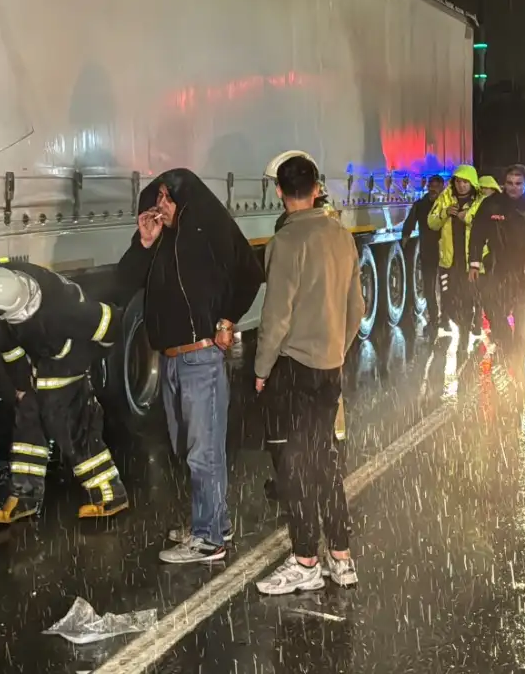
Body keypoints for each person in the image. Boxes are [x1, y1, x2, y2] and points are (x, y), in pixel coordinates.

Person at [115, 169, 264, 564]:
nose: (159, 204)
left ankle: (210, 538)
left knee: (204, 450)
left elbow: (250, 272)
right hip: (171, 360)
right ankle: (212, 521)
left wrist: (227, 320)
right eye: (157, 196)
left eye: (166, 196)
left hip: (200, 356)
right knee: (187, 447)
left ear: (185, 198)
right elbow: (121, 283)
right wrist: (145, 243)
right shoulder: (161, 240)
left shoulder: (207, 231)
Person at [252, 153, 363, 595]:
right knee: (325, 458)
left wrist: (261, 370)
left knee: (296, 465)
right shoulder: (341, 235)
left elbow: (276, 316)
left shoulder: (286, 242)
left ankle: (305, 561)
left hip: (295, 367)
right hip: (330, 366)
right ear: (317, 187)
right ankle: (342, 556)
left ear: (279, 191)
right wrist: (337, 346)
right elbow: (357, 307)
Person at [0, 262, 128, 523]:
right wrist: (22, 385)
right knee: (28, 418)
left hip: (68, 355)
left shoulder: (64, 306)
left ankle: (110, 493)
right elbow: (8, 347)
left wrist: (91, 360)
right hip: (36, 356)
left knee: (69, 425)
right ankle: (25, 496)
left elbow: (109, 325)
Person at [472, 165, 525, 371]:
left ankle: (519, 355)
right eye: (509, 183)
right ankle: (503, 337)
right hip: (498, 266)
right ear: (503, 184)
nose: (513, 188)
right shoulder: (491, 205)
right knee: (490, 302)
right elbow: (477, 234)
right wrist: (474, 263)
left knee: (524, 315)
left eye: (518, 184)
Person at [425, 165, 484, 351]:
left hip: (471, 261)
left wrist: (465, 216)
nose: (461, 185)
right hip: (449, 261)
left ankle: (467, 332)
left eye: (465, 182)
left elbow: (483, 224)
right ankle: (453, 321)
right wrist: (444, 214)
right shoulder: (445, 198)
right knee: (448, 297)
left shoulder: (480, 201)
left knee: (469, 297)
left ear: (472, 183)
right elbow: (431, 222)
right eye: (458, 181)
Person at [401, 174, 445, 328]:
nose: (433, 190)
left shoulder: (446, 205)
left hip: (446, 252)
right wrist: (405, 238)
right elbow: (410, 222)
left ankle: (445, 317)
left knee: (445, 286)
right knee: (429, 286)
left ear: (442, 188)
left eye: (436, 187)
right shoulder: (420, 205)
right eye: (431, 187)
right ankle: (434, 317)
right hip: (428, 251)